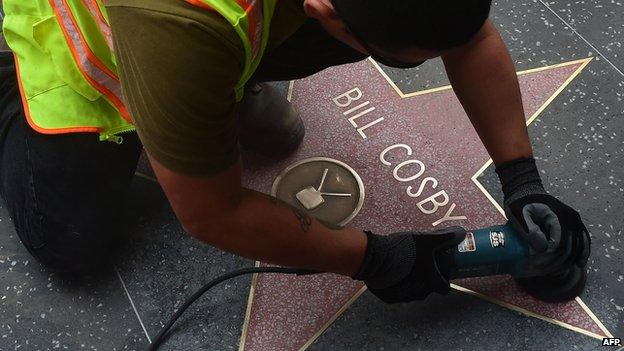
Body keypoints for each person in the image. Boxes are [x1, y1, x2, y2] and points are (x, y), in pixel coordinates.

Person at [0, 0, 588, 303]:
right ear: (323, 12)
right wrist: (380, 260)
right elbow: (212, 213)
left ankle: (209, 91)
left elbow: (468, 33)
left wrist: (522, 180)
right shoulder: (179, 26)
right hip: (73, 49)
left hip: (199, 43)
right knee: (70, 244)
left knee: (278, 130)